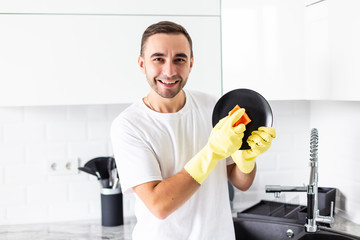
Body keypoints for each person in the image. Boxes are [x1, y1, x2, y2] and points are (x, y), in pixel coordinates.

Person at [111, 21, 276, 240]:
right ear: (142, 64)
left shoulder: (214, 107)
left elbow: (241, 183)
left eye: (179, 59)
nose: (169, 71)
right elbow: (159, 205)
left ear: (191, 64)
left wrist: (246, 158)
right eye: (158, 59)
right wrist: (212, 152)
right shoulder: (129, 125)